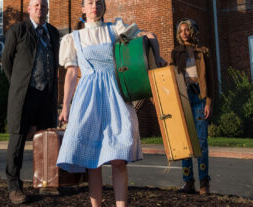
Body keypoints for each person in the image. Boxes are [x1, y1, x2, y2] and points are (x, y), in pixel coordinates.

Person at [57, 0, 165, 206]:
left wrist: (157, 57)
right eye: (89, 3)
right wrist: (66, 105)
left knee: (119, 158)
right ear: (82, 8)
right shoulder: (73, 38)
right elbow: (71, 74)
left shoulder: (115, 29)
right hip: (88, 99)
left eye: (98, 2)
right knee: (92, 160)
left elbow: (148, 36)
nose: (94, 6)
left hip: (116, 95)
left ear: (103, 7)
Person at [1, 0, 60, 204]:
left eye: (43, 5)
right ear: (28, 9)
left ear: (47, 8)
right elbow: (6, 63)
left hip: (47, 96)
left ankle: (47, 183)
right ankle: (14, 187)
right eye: (35, 5)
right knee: (17, 141)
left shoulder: (53, 32)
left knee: (46, 142)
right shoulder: (18, 30)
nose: (39, 8)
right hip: (24, 95)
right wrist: (19, 84)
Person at [171, 18, 214, 195]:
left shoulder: (203, 52)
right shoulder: (176, 52)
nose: (183, 33)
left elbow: (209, 79)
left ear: (192, 31)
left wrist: (208, 102)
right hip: (183, 98)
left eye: (186, 30)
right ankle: (188, 182)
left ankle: (204, 183)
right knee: (185, 142)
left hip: (199, 98)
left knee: (201, 141)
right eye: (181, 31)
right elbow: (171, 75)